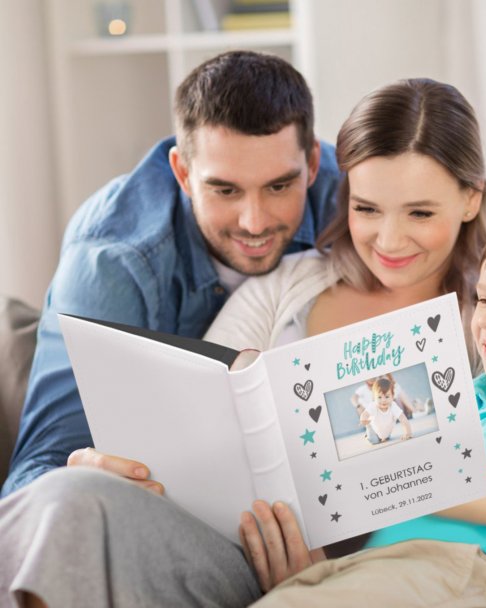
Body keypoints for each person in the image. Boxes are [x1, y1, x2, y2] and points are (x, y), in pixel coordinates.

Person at [0, 77, 486, 608]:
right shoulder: (291, 282)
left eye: (420, 214)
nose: (388, 239)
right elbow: (188, 409)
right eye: (367, 209)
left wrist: (320, 578)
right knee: (70, 497)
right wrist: (107, 464)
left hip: (359, 581)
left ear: (470, 197)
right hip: (215, 547)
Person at [224, 203, 486, 608]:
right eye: (483, 298)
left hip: (460, 571)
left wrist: (391, 463)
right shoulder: (465, 394)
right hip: (373, 566)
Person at [1, 50, 340, 497]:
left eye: (279, 186)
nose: (254, 221)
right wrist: (80, 482)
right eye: (224, 189)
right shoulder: (112, 262)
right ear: (182, 172)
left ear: (312, 163)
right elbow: (31, 478)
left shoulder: (355, 201)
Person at [359, 376, 412, 444]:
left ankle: (382, 436)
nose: (383, 400)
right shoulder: (373, 405)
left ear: (392, 396)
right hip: (374, 431)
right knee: (374, 441)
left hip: (387, 433)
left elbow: (403, 419)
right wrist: (363, 419)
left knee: (386, 437)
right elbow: (365, 414)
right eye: (379, 397)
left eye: (387, 396)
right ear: (374, 397)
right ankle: (368, 428)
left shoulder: (393, 406)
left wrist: (408, 433)